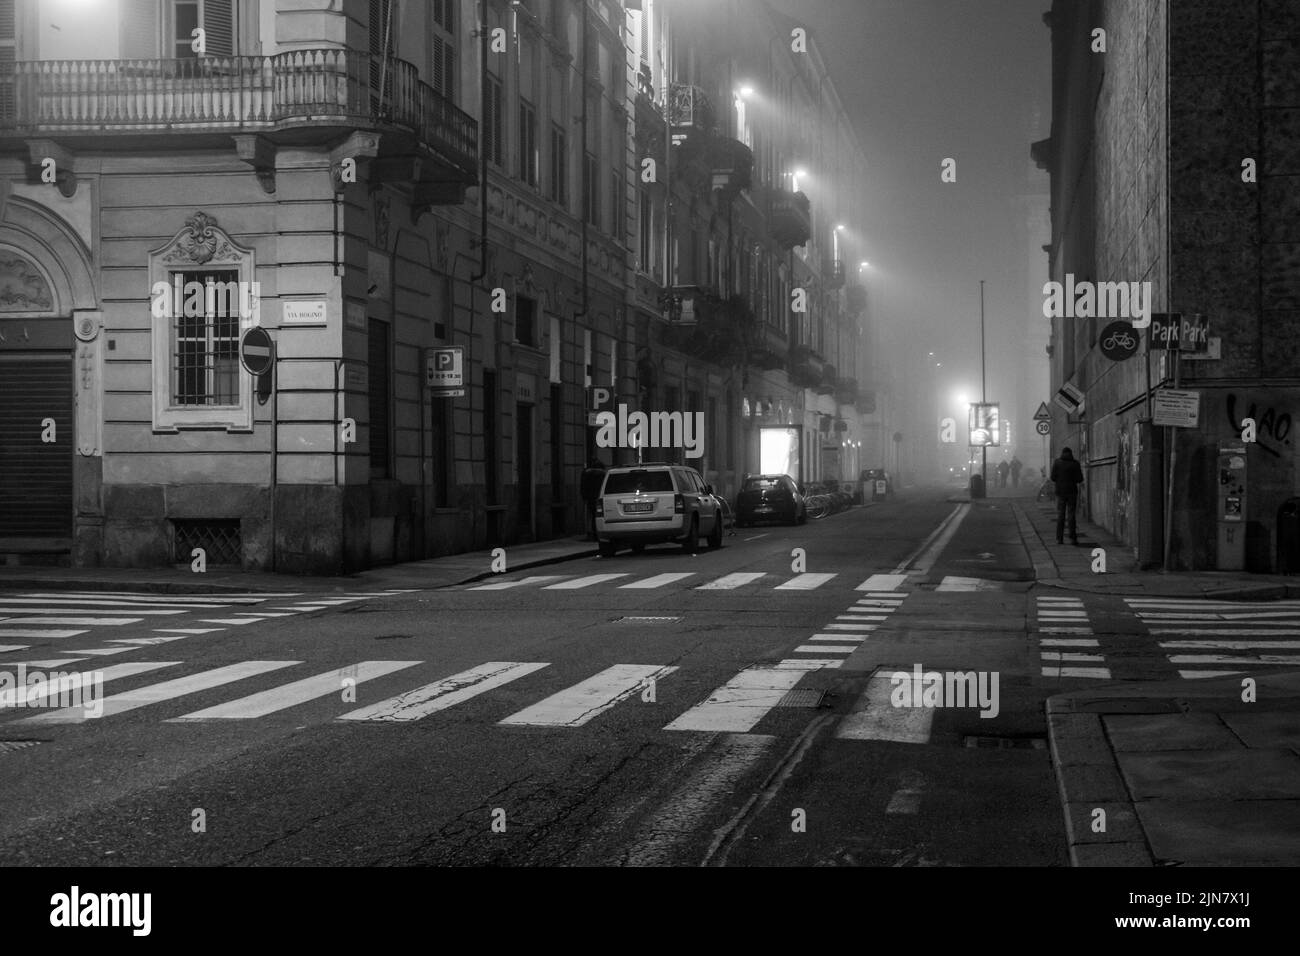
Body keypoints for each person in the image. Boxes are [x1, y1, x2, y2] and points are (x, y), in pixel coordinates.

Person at [1050, 447, 1084, 545]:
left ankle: (1059, 538)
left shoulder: (1057, 463)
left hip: (1060, 492)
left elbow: (1052, 477)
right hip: (1072, 492)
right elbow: (1080, 479)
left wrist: (1060, 480)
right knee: (1071, 515)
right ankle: (1073, 538)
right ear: (1071, 454)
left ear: (1062, 453)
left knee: (1061, 515)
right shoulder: (1075, 464)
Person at [579, 457, 607, 541]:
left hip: (590, 497)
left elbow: (583, 486)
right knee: (599, 516)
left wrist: (584, 496)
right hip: (600, 497)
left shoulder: (586, 474)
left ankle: (591, 533)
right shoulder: (603, 474)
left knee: (591, 515)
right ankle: (598, 533)